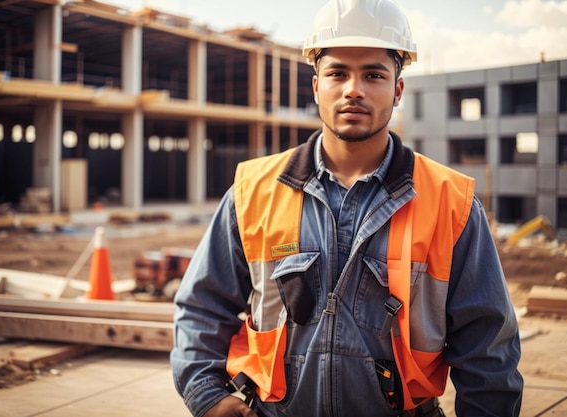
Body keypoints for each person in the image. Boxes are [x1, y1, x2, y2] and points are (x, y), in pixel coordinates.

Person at [171, 0, 524, 416]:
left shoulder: (451, 202)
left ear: (397, 88)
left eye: (373, 74)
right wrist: (207, 394)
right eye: (337, 72)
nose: (353, 89)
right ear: (316, 85)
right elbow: (201, 306)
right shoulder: (253, 191)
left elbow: (488, 347)